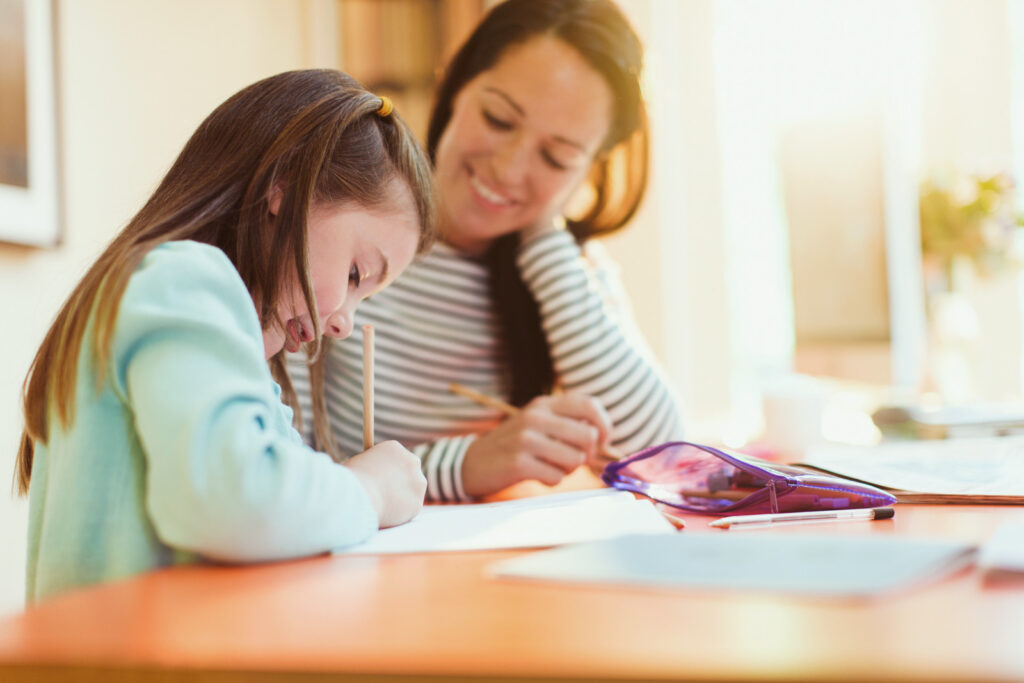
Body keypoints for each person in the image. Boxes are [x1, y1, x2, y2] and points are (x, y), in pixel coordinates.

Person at [15, 69, 434, 602]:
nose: (344, 323)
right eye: (355, 275)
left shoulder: (200, 321)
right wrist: (368, 490)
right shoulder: (183, 280)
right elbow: (234, 500)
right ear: (283, 190)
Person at [290, 0, 684, 501]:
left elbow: (660, 455)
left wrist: (544, 237)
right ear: (455, 90)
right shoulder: (345, 229)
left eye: (555, 156)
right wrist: (467, 465)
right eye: (498, 119)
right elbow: (290, 467)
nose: (510, 167)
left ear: (589, 170)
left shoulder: (566, 273)